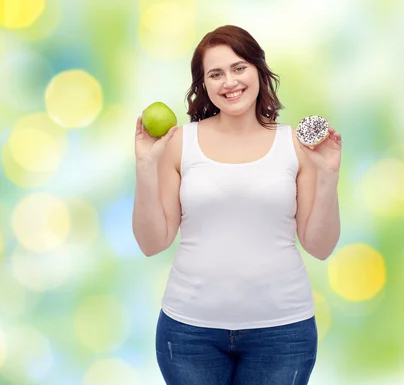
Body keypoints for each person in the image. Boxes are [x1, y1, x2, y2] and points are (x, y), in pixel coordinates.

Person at [132, 25, 342, 385]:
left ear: (259, 70)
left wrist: (328, 176)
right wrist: (146, 167)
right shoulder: (179, 142)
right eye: (216, 74)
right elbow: (152, 243)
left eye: (239, 67)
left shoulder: (296, 145)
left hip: (283, 332)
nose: (229, 82)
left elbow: (320, 247)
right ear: (203, 85)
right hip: (189, 333)